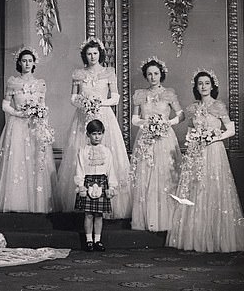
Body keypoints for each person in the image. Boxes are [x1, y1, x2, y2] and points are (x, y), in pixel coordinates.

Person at [166, 70, 244, 252]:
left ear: (212, 86)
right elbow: (189, 132)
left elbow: (230, 130)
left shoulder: (218, 106)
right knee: (197, 189)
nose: (203, 87)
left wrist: (212, 137)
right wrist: (192, 141)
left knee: (213, 189)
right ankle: (196, 237)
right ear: (196, 87)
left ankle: (215, 237)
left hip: (214, 152)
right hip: (196, 152)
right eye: (200, 84)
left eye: (206, 83)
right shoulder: (193, 108)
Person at [55, 37, 131, 219]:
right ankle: (83, 202)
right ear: (85, 55)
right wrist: (84, 104)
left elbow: (116, 98)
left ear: (100, 54)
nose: (92, 56)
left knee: (107, 155)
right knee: (81, 155)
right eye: (89, 54)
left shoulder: (108, 72)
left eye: (95, 53)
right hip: (83, 117)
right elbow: (73, 98)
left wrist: (99, 103)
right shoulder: (78, 74)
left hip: (104, 115)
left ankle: (109, 202)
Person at [0, 47, 56, 213]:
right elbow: (5, 104)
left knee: (36, 162)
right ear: (19, 63)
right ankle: (16, 202)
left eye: (30, 61)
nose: (27, 64)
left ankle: (36, 203)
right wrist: (18, 113)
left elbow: (43, 105)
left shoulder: (40, 84)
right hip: (17, 126)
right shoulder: (13, 82)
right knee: (17, 160)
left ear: (34, 63)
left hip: (35, 126)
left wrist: (41, 115)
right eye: (24, 61)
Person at [130, 57, 183, 231]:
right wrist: (146, 124)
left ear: (161, 75)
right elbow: (134, 118)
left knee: (165, 175)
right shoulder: (140, 94)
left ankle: (168, 220)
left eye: (156, 74)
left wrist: (167, 123)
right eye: (149, 74)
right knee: (147, 175)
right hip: (146, 138)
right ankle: (148, 219)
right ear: (146, 76)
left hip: (165, 137)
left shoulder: (169, 93)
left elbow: (180, 114)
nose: (153, 77)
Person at [74, 119, 118, 252]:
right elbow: (80, 169)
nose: (97, 137)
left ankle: (97, 240)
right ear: (88, 134)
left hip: (102, 182)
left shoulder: (107, 151)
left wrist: (111, 186)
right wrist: (81, 185)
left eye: (99, 133)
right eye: (94, 134)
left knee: (99, 214)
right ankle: (89, 241)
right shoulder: (83, 151)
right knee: (88, 214)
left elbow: (110, 170)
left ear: (103, 134)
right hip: (88, 182)